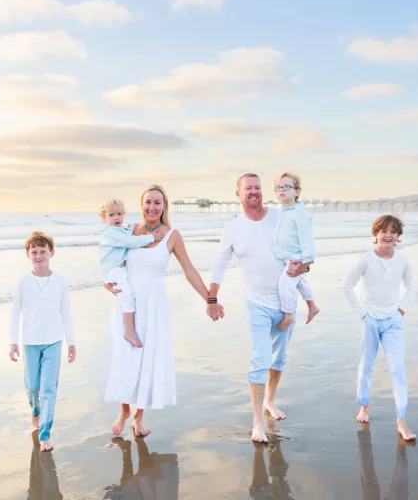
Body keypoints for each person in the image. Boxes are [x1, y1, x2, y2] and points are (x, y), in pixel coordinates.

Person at [103, 185, 221, 437]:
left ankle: (138, 417)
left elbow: (189, 270)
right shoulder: (128, 229)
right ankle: (124, 410)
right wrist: (106, 282)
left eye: (157, 202)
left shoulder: (172, 235)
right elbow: (109, 257)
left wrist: (210, 299)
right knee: (125, 358)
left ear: (165, 206)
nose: (152, 207)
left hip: (154, 307)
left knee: (147, 359)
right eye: (148, 202)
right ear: (142, 204)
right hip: (127, 305)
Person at [208, 173, 310, 443]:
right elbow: (220, 264)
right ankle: (257, 422)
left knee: (279, 358)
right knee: (259, 360)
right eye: (248, 188)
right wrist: (212, 298)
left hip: (286, 303)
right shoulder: (233, 228)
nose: (254, 192)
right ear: (238, 194)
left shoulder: (280, 217)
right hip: (256, 304)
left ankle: (270, 401)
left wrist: (305, 269)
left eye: (257, 187)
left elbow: (303, 251)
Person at [343, 215, 416, 441]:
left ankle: (401, 421)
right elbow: (347, 286)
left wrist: (401, 310)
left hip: (393, 321)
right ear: (376, 234)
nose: (388, 235)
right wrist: (363, 314)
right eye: (383, 231)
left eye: (393, 232)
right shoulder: (366, 260)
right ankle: (363, 407)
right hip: (370, 320)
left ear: (398, 236)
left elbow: (411, 286)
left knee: (397, 368)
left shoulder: (402, 260)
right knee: (366, 365)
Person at [9, 231, 76, 452]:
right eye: (34, 252)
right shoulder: (23, 282)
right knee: (32, 387)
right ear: (28, 255)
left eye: (42, 252)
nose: (39, 256)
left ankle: (45, 433)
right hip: (30, 341)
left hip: (54, 341)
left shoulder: (60, 282)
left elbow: (66, 313)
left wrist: (71, 342)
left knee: (48, 389)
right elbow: (15, 313)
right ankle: (35, 409)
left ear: (51, 253)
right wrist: (13, 342)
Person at [98, 198, 166, 348]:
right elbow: (130, 242)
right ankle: (129, 331)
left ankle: (129, 328)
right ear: (103, 218)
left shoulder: (119, 230)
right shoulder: (111, 233)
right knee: (127, 297)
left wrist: (147, 233)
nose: (116, 218)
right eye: (111, 215)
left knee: (126, 296)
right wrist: (151, 237)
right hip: (114, 270)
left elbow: (131, 236)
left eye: (119, 214)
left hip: (116, 269)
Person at [272, 172, 320, 330]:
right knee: (300, 282)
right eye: (278, 187)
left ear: (297, 192)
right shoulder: (281, 212)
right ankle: (312, 306)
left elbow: (306, 238)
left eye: (287, 186)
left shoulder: (300, 214)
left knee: (285, 284)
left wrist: (307, 260)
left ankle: (288, 314)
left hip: (296, 257)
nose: (282, 190)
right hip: (286, 255)